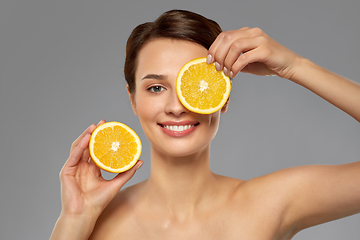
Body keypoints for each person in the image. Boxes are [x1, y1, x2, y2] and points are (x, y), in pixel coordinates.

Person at [50, 9, 360, 239]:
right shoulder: (95, 223)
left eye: (195, 85)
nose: (175, 107)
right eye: (156, 87)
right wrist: (73, 220)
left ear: (221, 97)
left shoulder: (271, 203)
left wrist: (295, 66)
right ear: (133, 99)